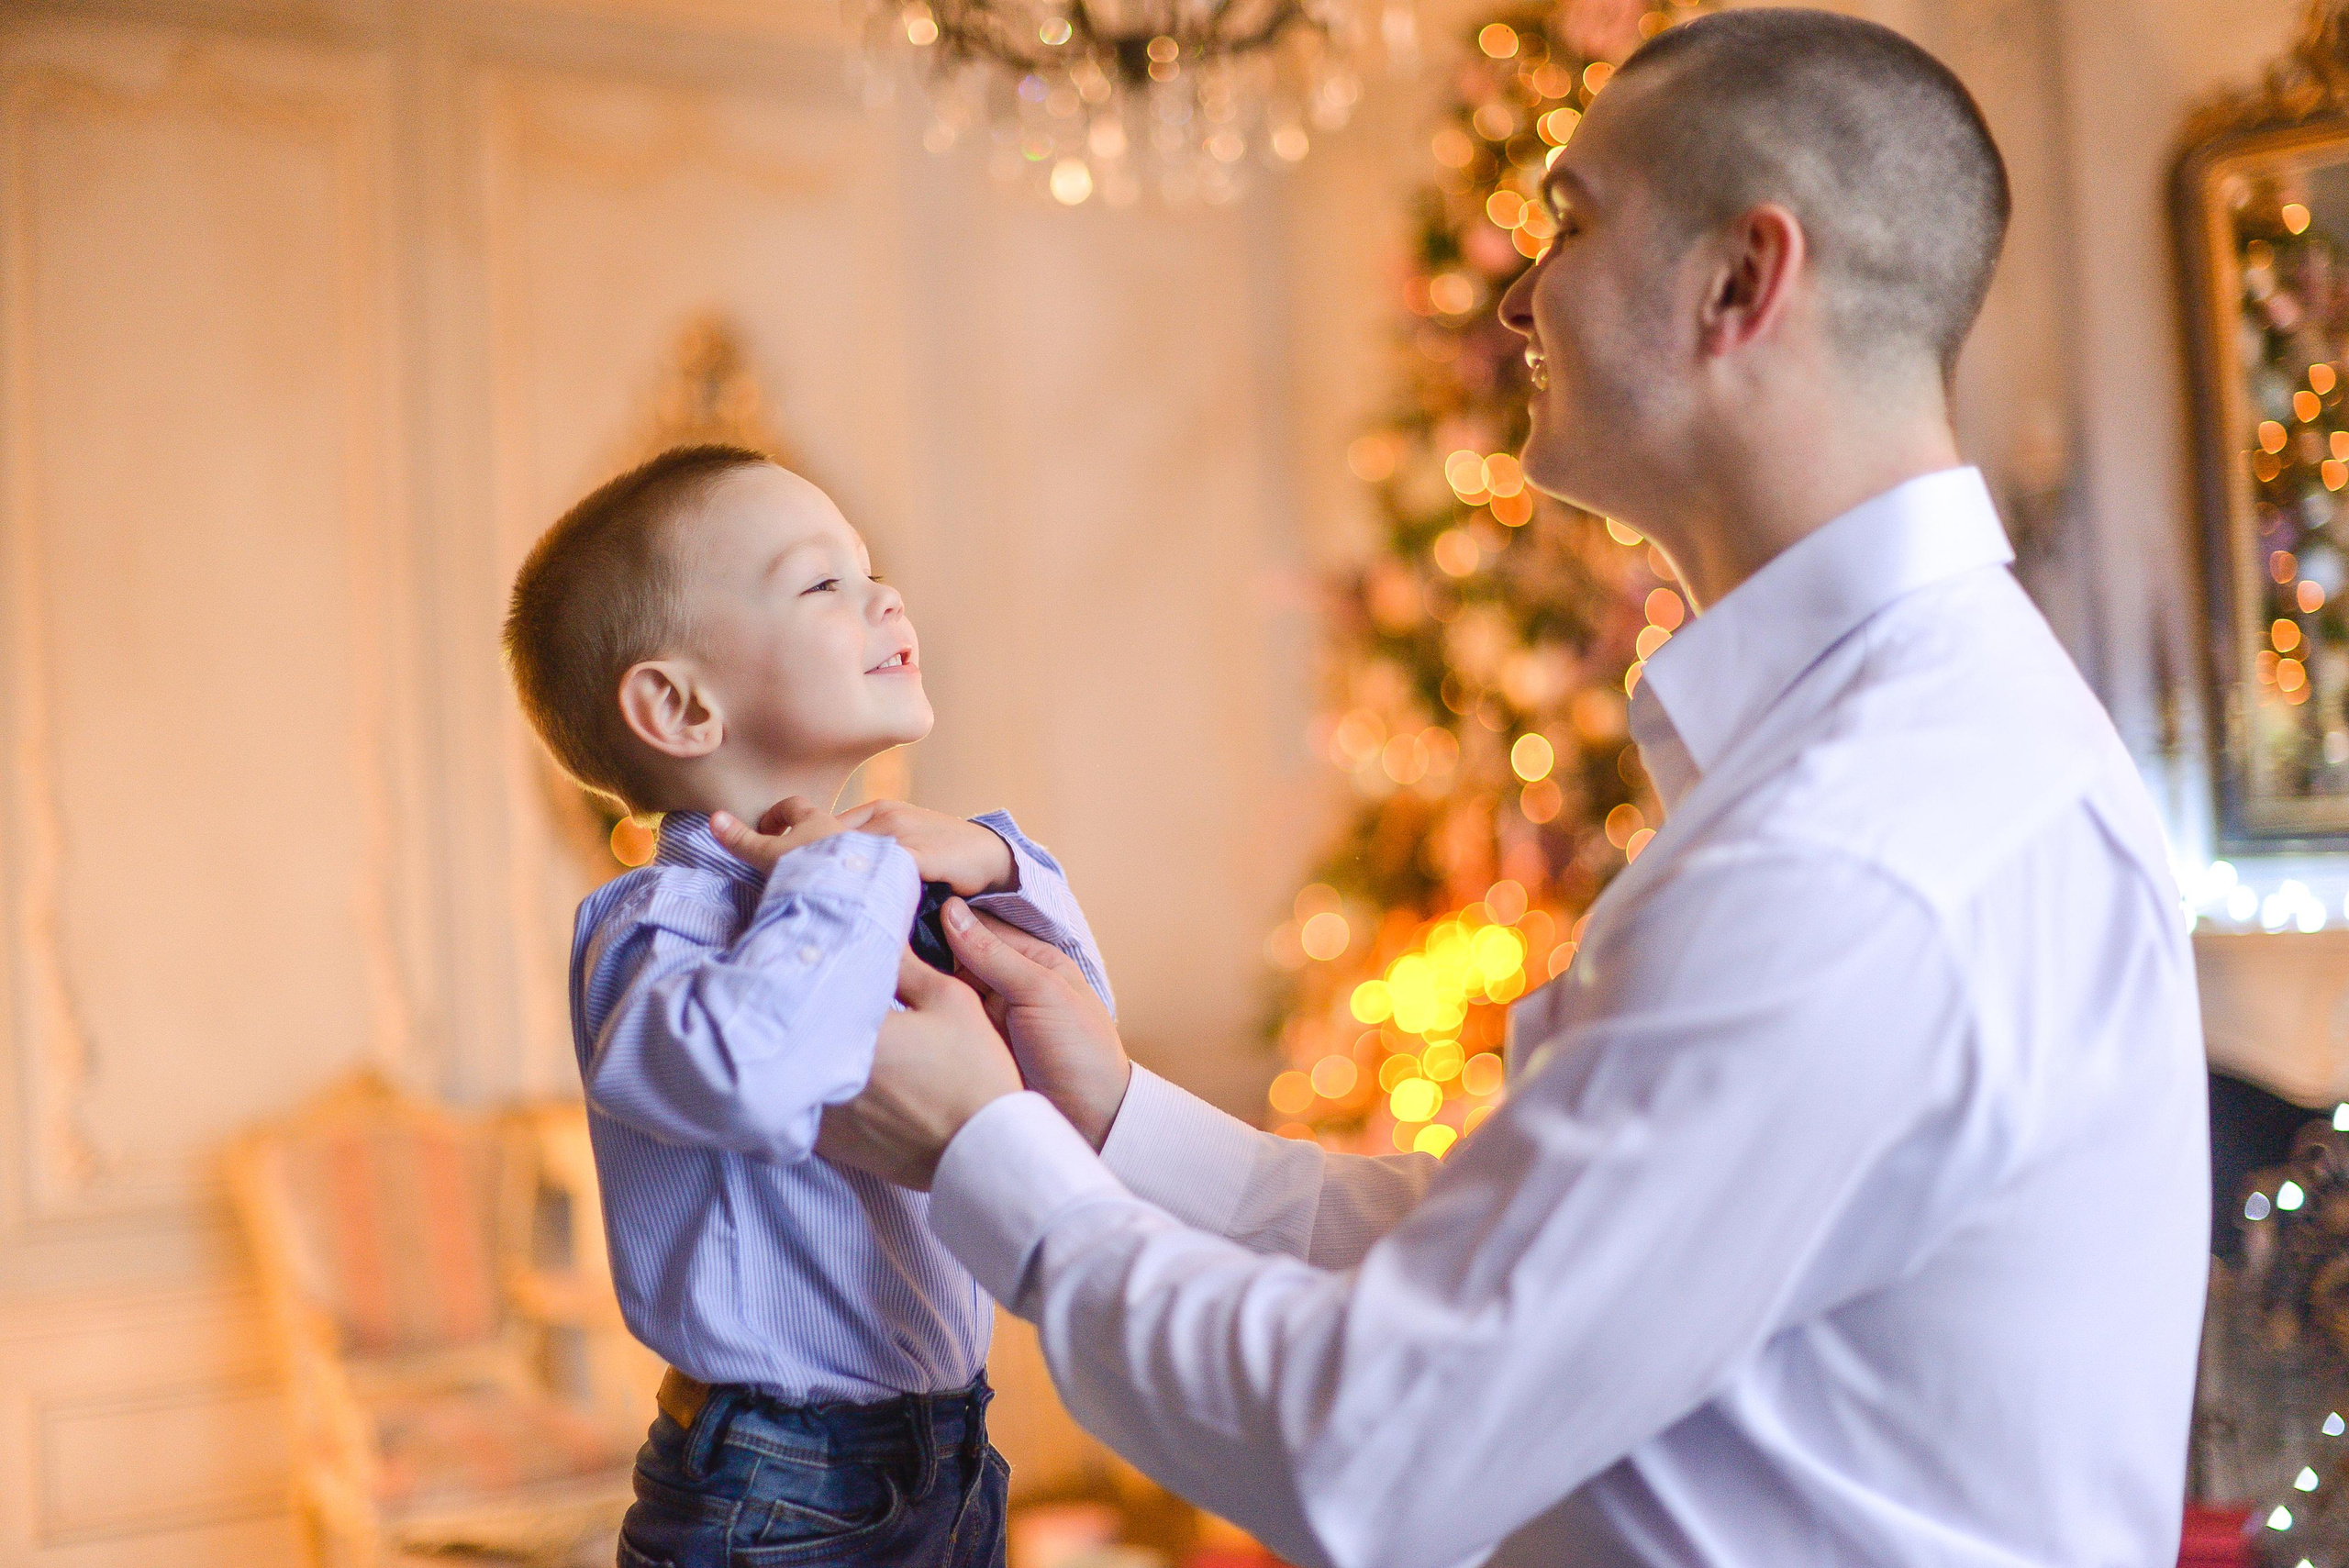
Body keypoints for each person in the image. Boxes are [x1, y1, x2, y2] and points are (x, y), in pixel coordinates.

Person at [818, 11, 2211, 1567]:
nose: (1519, 290)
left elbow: (1379, 1445)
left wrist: (978, 1152)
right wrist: (1108, 1118)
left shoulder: (1857, 848)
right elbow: (1521, 1274)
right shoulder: (1895, 749)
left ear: (1742, 283)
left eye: (1572, 218)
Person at [501, 444, 1112, 1568]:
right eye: (822, 581)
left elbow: (1078, 1033)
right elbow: (761, 1068)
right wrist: (847, 872)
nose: (886, 595)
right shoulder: (653, 927)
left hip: (952, 1447)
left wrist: (990, 857)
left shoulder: (890, 874)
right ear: (680, 705)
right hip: (771, 1486)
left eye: (871, 566)